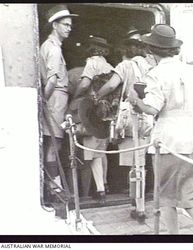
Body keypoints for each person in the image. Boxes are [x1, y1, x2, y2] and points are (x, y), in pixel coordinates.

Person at [127, 24, 193, 234]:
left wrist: (135, 100)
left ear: (151, 50)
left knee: (167, 197)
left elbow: (151, 108)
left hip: (168, 142)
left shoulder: (155, 74)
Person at [95, 27, 156, 222]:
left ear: (127, 49)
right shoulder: (150, 66)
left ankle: (138, 206)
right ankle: (140, 201)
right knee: (144, 163)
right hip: (148, 118)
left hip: (130, 120)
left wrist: (97, 96)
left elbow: (112, 85)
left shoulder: (125, 65)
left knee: (134, 165)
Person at [69, 36, 114, 203]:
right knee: (101, 152)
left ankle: (94, 191)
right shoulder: (109, 66)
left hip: (92, 111)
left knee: (91, 154)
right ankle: (104, 186)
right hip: (106, 112)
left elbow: (84, 84)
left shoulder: (92, 63)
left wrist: (75, 96)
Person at [40, 4, 78, 198]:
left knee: (53, 144)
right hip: (56, 98)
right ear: (54, 25)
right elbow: (53, 80)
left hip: (54, 98)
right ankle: (55, 189)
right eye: (65, 24)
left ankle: (53, 186)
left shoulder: (49, 46)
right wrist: (44, 103)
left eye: (70, 25)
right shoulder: (53, 50)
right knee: (55, 145)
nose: (69, 28)